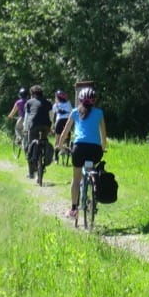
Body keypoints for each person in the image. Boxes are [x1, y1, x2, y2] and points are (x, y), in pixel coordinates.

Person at [54, 86, 107, 218]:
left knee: (76, 179)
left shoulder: (74, 112)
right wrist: (103, 148)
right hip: (95, 150)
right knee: (92, 169)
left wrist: (60, 146)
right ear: (94, 101)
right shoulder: (99, 113)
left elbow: (65, 133)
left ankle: (73, 210)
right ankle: (92, 189)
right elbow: (103, 136)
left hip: (79, 148)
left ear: (80, 100)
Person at [23, 85, 53, 180]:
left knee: (30, 147)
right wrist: (51, 127)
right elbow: (51, 115)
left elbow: (27, 117)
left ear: (32, 94)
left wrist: (25, 128)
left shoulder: (29, 102)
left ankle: (31, 173)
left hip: (33, 125)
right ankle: (44, 152)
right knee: (44, 140)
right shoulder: (48, 102)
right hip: (46, 125)